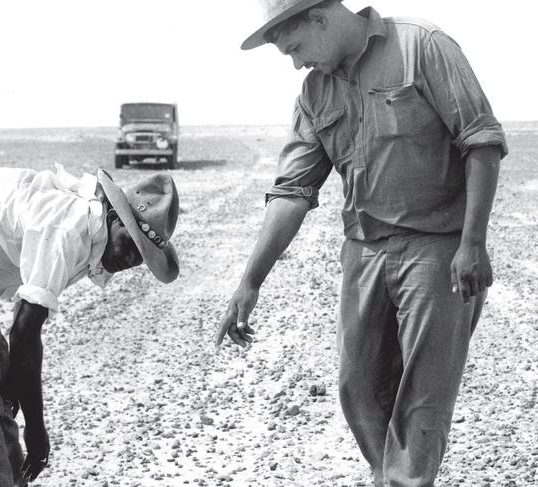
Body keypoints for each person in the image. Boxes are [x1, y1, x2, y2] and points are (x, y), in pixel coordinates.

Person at [215, 1, 507, 485]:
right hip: (364, 252)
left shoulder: (422, 46)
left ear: (321, 19)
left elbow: (480, 141)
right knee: (359, 388)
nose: (296, 63)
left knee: (421, 397)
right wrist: (250, 282)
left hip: (436, 250)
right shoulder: (314, 92)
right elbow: (292, 191)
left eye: (295, 48)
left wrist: (472, 243)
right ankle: (390, 476)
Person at [0, 164, 180, 486]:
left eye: (140, 255)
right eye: (130, 243)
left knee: (0, 386)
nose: (130, 260)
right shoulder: (71, 229)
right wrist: (36, 429)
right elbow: (25, 332)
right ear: (114, 219)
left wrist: (19, 391)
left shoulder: (89, 232)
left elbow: (24, 333)